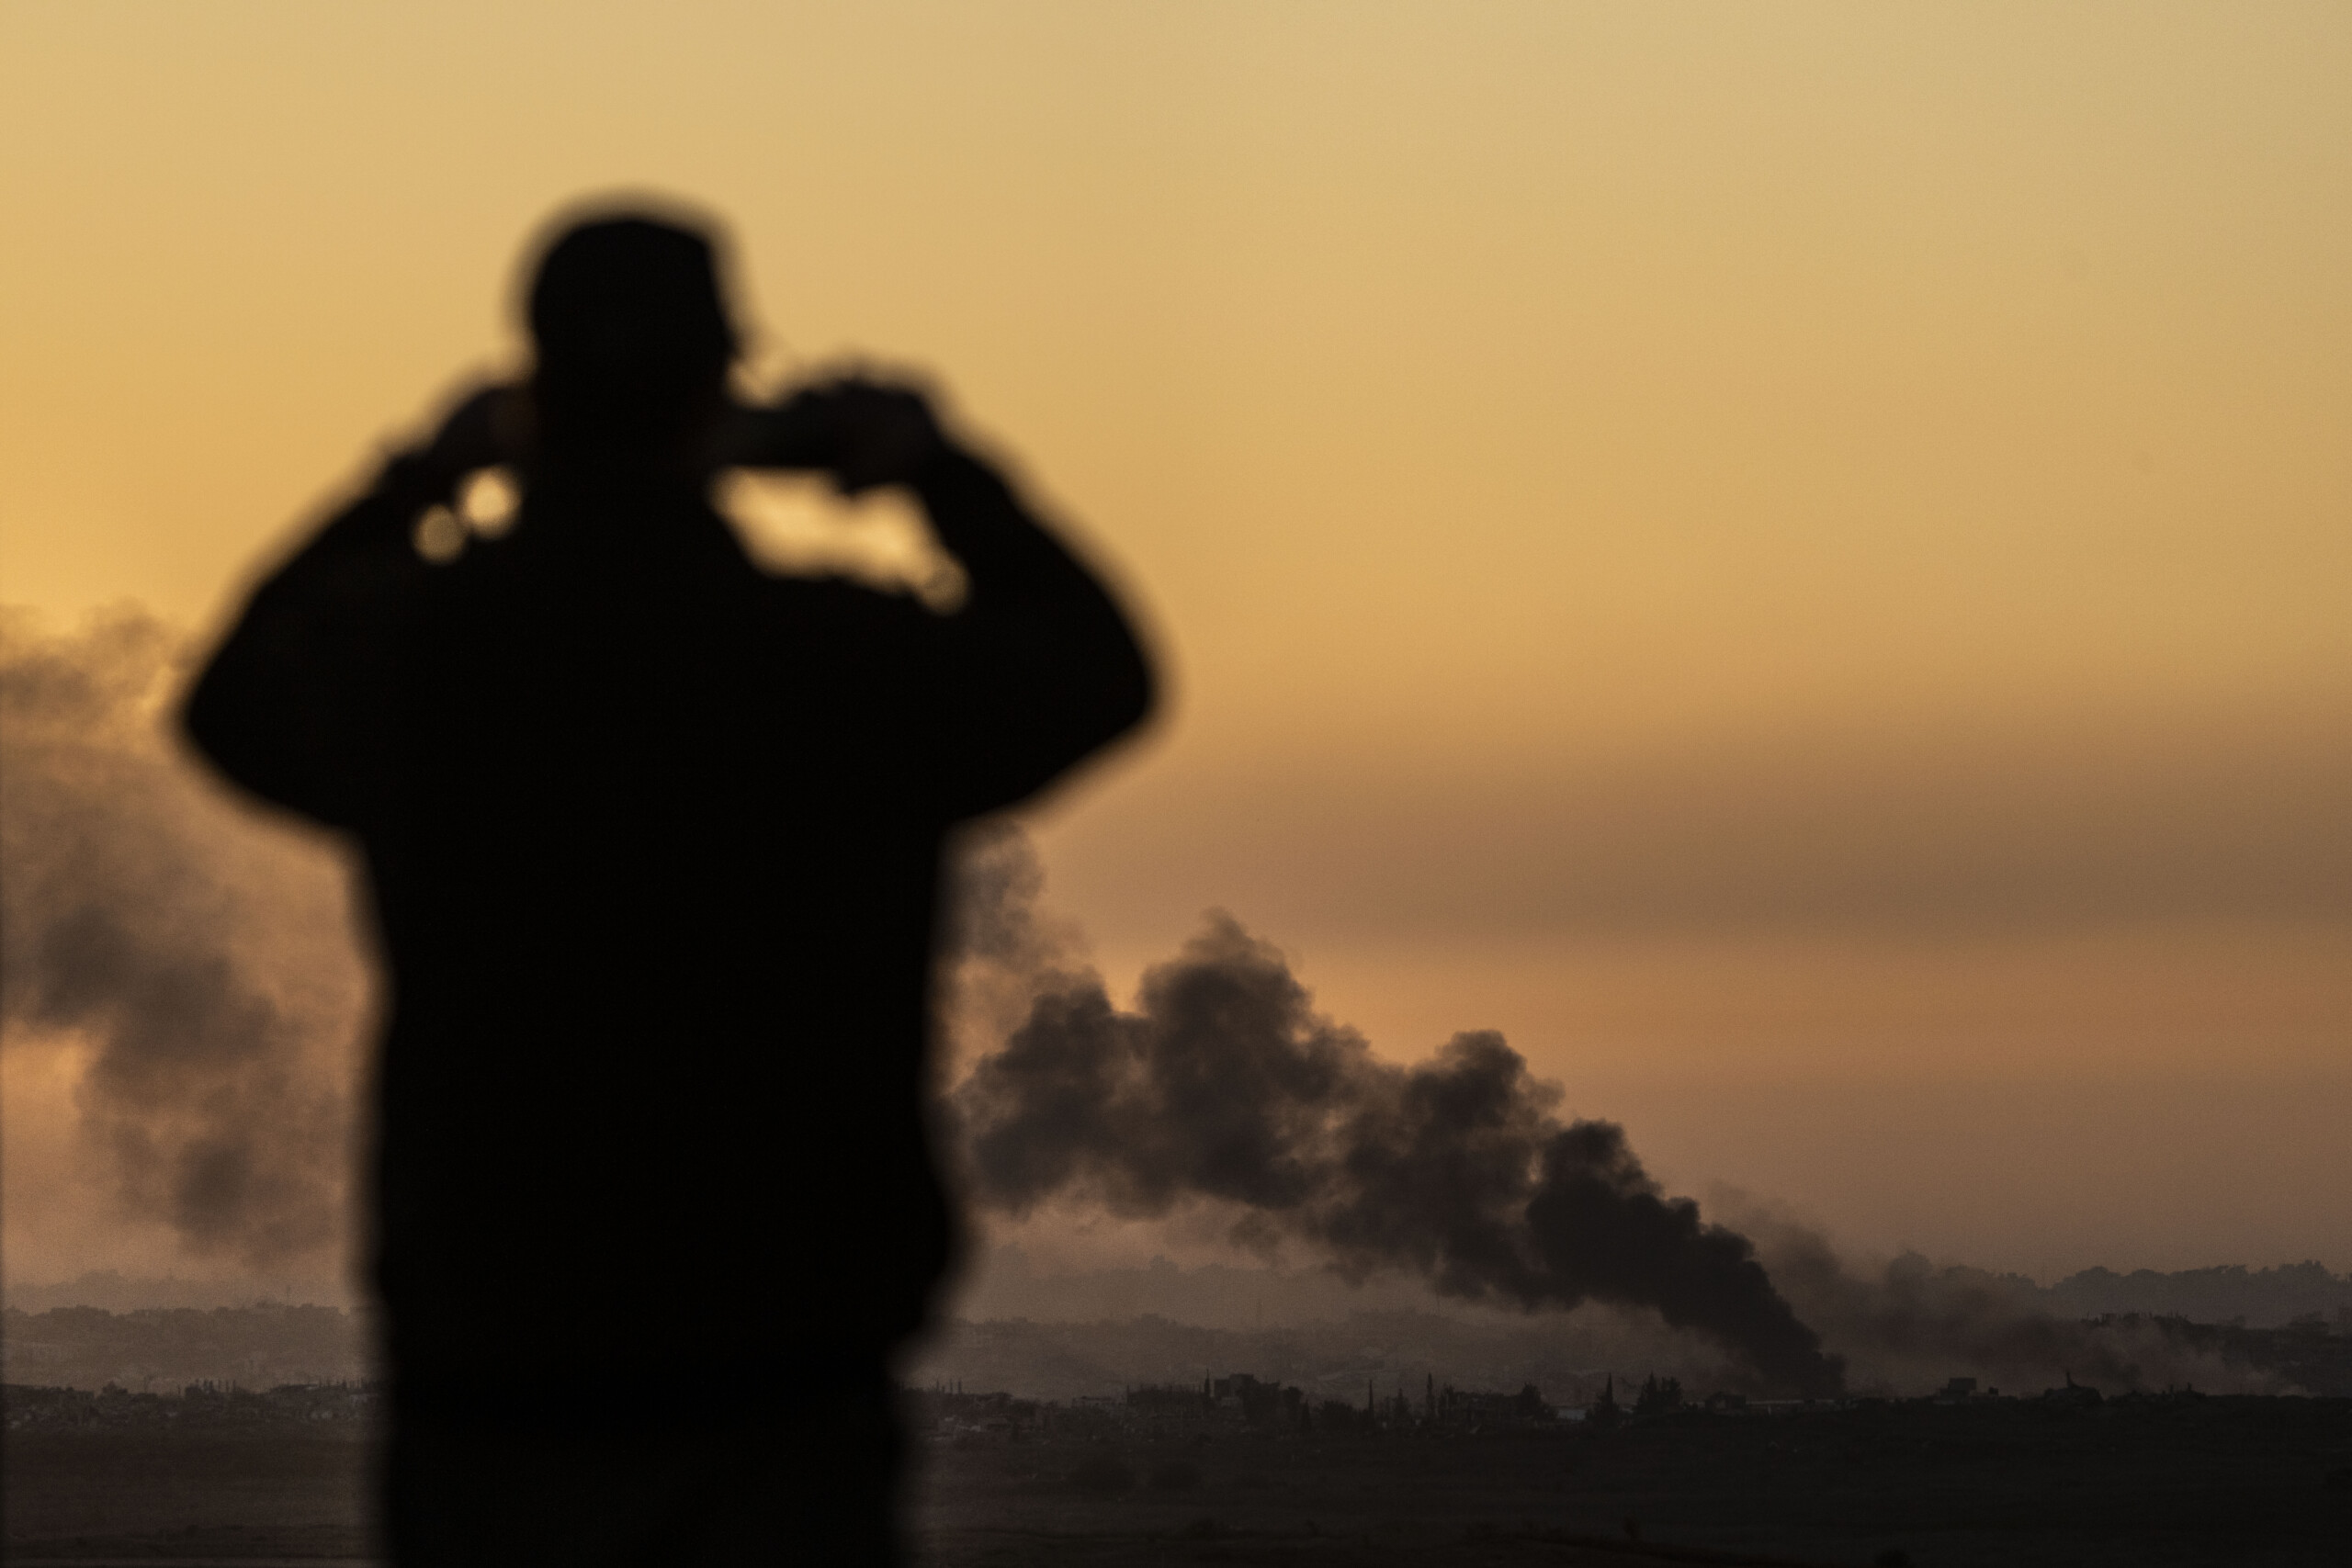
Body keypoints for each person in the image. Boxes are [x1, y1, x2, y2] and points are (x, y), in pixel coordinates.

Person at [183, 209, 1156, 1564]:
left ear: (531, 398)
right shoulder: (836, 670)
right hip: (776, 1404)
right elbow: (1100, 669)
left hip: (496, 1396)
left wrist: (412, 480)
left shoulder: (431, 665)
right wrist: (933, 470)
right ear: (721, 391)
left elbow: (229, 703)